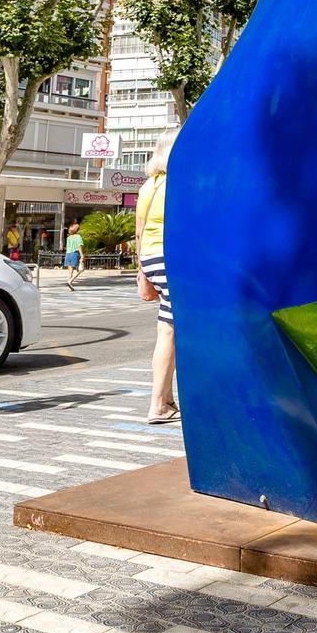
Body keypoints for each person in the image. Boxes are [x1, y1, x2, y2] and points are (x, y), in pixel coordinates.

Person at [135, 130, 177, 423]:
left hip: (150, 257)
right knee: (174, 331)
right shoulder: (178, 184)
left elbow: (139, 229)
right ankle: (158, 405)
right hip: (171, 257)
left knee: (166, 329)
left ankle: (165, 400)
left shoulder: (148, 185)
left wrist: (141, 272)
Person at [63, 221, 85, 289]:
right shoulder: (78, 237)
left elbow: (67, 247)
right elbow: (79, 246)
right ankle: (70, 281)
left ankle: (70, 284)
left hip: (68, 254)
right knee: (80, 269)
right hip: (74, 254)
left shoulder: (68, 238)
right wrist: (82, 255)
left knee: (70, 271)